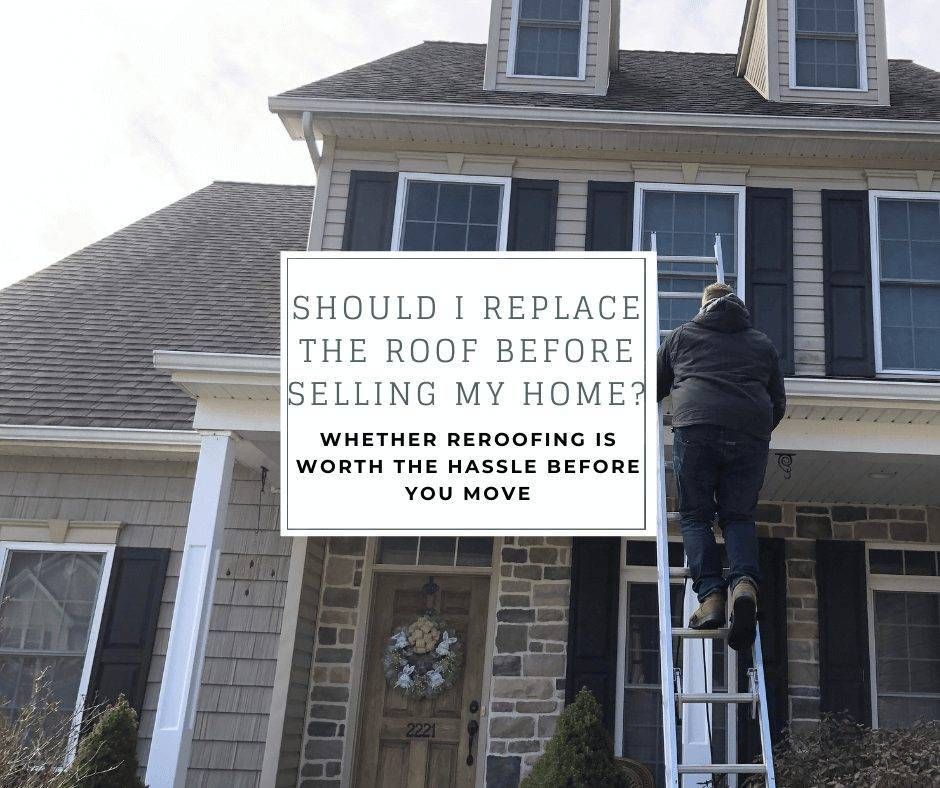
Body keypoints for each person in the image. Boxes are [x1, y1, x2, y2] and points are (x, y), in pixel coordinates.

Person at [657, 283, 786, 651]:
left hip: (696, 426)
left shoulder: (683, 336)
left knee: (696, 514)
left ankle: (711, 595)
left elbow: (650, 384)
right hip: (749, 433)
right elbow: (778, 403)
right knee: (738, 516)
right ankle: (744, 584)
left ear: (704, 307)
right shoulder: (762, 344)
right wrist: (754, 432)